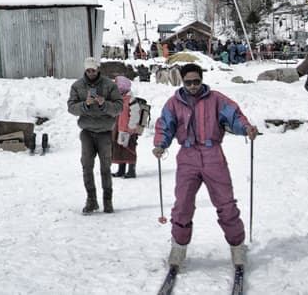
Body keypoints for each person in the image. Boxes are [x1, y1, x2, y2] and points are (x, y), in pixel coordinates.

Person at [152, 63, 259, 270]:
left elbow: (235, 117)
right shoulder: (174, 103)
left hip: (213, 155)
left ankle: (237, 247)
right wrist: (160, 144)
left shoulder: (217, 99)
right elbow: (165, 125)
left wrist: (246, 128)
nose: (193, 86)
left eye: (196, 81)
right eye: (188, 82)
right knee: (182, 205)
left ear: (202, 80)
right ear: (182, 82)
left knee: (225, 204)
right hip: (187, 156)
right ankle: (179, 247)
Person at [67, 57, 124, 214]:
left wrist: (104, 104)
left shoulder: (110, 85)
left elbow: (119, 107)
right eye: (88, 70)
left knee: (106, 167)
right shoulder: (77, 86)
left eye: (93, 70)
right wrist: (85, 105)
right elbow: (71, 108)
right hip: (86, 132)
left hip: (105, 132)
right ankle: (91, 200)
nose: (91, 73)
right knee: (87, 166)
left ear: (98, 69)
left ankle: (108, 201)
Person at [111, 75, 138, 179]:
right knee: (120, 149)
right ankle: (121, 170)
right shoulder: (119, 99)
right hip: (119, 129)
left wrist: (131, 126)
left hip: (129, 130)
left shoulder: (131, 99)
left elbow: (135, 114)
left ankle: (131, 171)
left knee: (129, 149)